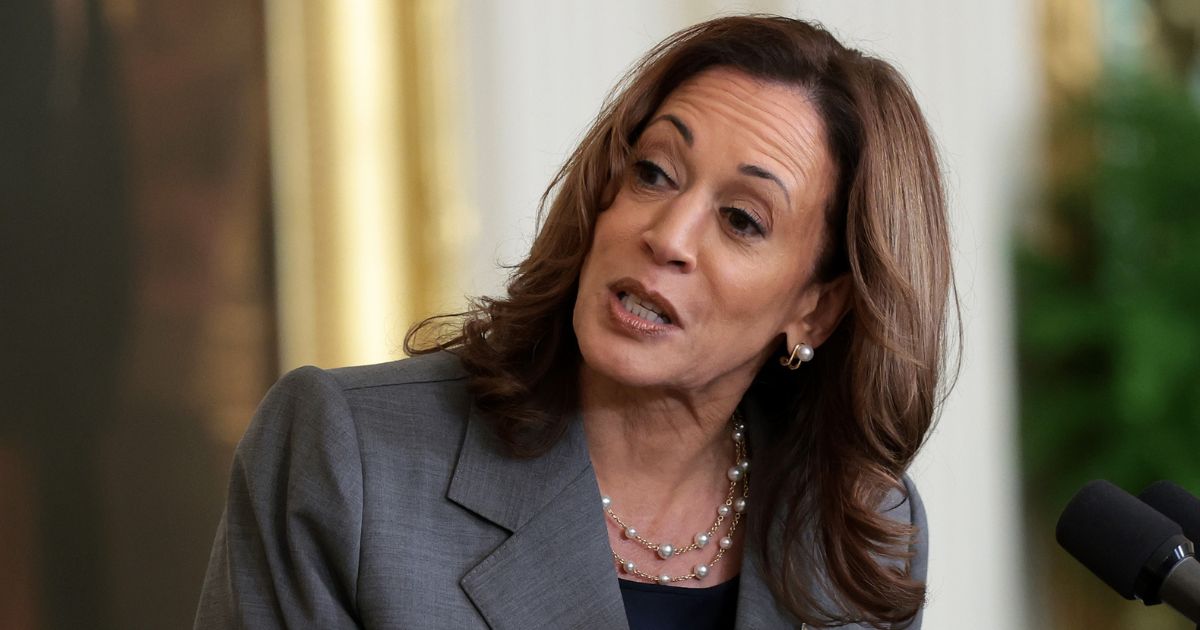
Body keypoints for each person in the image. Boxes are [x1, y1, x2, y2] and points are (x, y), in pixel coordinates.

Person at [195, 14, 955, 630]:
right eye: (653, 172)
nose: (668, 235)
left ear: (814, 307)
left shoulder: (860, 530)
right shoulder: (351, 461)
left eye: (741, 220)